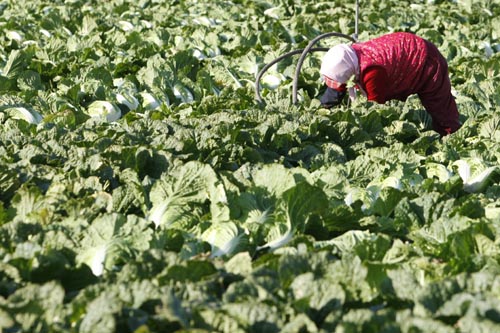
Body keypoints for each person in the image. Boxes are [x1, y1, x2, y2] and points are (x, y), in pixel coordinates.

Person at [319, 31, 461, 136]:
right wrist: (323, 109)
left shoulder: (371, 72)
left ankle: (452, 137)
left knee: (440, 106)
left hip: (426, 60)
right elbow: (337, 86)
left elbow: (375, 108)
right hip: (408, 50)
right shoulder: (352, 55)